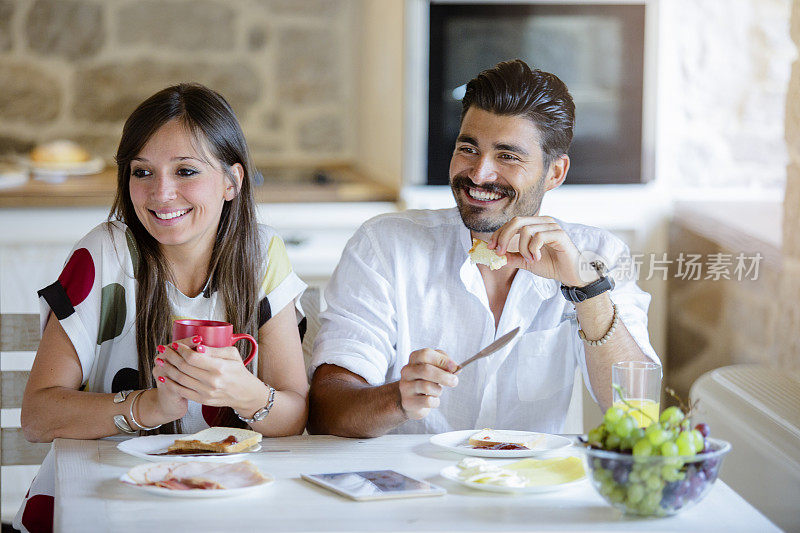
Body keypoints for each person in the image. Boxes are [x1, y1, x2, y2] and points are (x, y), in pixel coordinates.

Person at [308, 59, 659, 438]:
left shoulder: (599, 255)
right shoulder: (385, 245)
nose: (479, 174)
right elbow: (327, 410)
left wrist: (587, 290)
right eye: (468, 149)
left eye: (507, 156)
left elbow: (637, 415)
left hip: (531, 484)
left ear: (554, 173)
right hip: (411, 488)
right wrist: (399, 399)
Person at [15, 83, 309, 533]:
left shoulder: (262, 255)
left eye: (186, 171)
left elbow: (295, 414)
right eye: (142, 172)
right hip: (100, 495)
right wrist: (149, 405)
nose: (161, 193)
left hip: (223, 498)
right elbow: (38, 416)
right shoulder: (104, 255)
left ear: (232, 181)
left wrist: (244, 392)